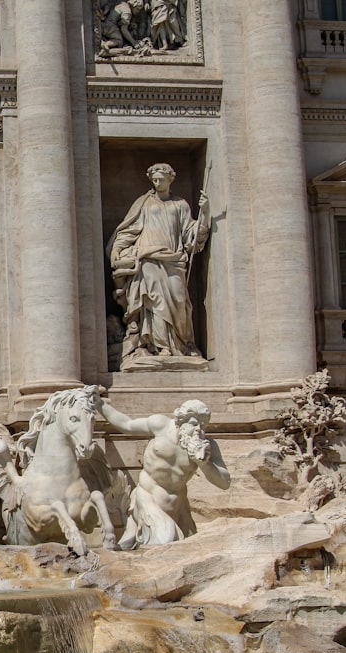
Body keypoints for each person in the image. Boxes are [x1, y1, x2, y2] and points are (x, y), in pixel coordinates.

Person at [108, 162, 209, 365]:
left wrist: (204, 212)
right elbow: (129, 230)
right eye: (154, 179)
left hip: (174, 259)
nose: (157, 182)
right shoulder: (144, 203)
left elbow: (191, 234)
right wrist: (117, 250)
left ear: (170, 179)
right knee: (154, 304)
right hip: (147, 259)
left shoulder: (180, 204)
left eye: (161, 179)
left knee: (179, 301)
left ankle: (179, 346)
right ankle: (160, 347)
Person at [98, 398, 230, 547]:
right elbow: (126, 425)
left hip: (179, 508)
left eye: (203, 425)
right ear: (181, 422)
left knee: (186, 549)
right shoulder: (161, 426)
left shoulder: (207, 446)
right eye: (193, 424)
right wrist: (99, 404)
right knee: (165, 541)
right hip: (148, 499)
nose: (199, 429)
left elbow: (224, 483)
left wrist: (204, 463)